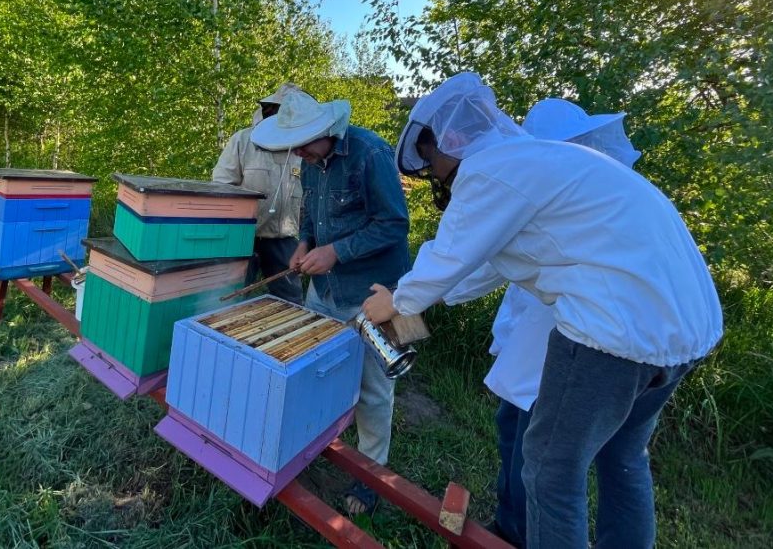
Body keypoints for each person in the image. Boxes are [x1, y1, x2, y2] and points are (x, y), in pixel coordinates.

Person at [363, 72, 723, 549]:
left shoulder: (490, 169)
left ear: (449, 138)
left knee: (551, 470)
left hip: (611, 334)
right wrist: (429, 293)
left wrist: (396, 300)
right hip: (683, 333)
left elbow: (447, 257)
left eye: (429, 158)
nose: (433, 172)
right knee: (623, 456)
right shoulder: (542, 161)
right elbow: (485, 265)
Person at [442, 98, 643, 547]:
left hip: (574, 341)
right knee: (619, 457)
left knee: (546, 463)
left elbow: (479, 260)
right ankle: (515, 525)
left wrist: (417, 294)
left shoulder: (563, 192)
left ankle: (519, 534)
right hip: (629, 343)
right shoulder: (603, 194)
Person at [251, 90, 411, 516]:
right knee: (320, 369)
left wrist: (336, 252)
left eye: (305, 142)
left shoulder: (370, 153)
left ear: (327, 131)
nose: (299, 152)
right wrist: (304, 243)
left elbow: (394, 224)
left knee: (375, 388)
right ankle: (326, 443)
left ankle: (370, 476)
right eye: (295, 145)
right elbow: (310, 214)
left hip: (374, 292)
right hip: (323, 290)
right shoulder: (310, 161)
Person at [212, 83, 304, 303]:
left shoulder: (304, 147)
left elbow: (310, 195)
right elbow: (222, 186)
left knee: (290, 301)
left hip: (285, 240)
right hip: (243, 237)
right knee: (231, 296)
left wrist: (309, 240)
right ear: (268, 110)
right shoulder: (243, 140)